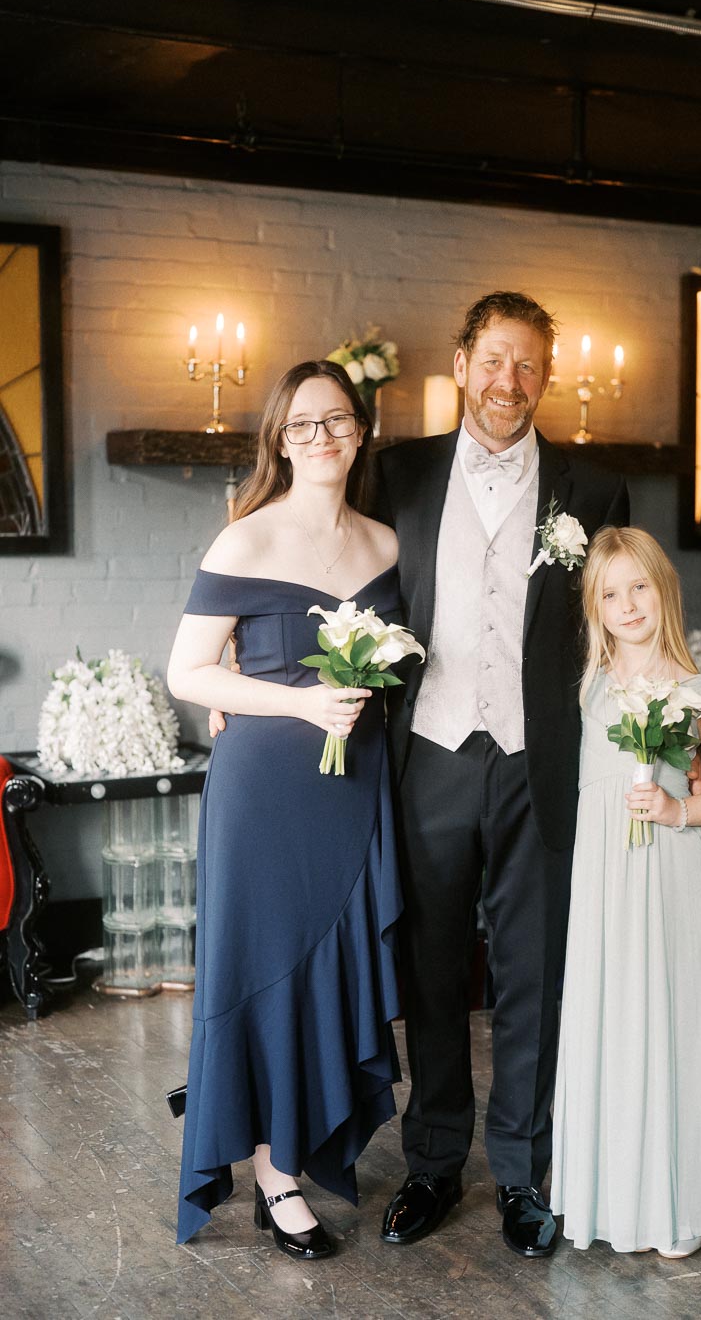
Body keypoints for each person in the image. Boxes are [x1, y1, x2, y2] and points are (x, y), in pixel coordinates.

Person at [374, 291, 630, 1258]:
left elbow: (616, 624)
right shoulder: (393, 474)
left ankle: (524, 1172)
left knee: (535, 974)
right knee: (432, 969)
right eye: (494, 360)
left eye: (527, 366)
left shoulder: (595, 489)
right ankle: (436, 1161)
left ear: (547, 380)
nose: (508, 382)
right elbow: (340, 589)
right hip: (431, 756)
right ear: (462, 362)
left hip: (542, 766)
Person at [167, 360, 402, 1257]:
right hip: (265, 797)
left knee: (327, 974)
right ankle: (273, 1174)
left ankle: (301, 1143)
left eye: (337, 420)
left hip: (355, 791)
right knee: (268, 971)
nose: (322, 438)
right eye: (302, 425)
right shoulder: (244, 541)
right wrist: (302, 701)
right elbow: (188, 672)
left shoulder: (386, 544)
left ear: (359, 431)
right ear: (279, 438)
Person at [551, 526, 701, 1257]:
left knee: (670, 1018)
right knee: (611, 1018)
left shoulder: (695, 687)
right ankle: (608, 1197)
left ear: (663, 589)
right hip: (603, 874)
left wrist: (680, 809)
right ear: (594, 606)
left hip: (669, 872)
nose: (627, 603)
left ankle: (675, 1204)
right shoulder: (589, 683)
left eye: (639, 586)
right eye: (610, 593)